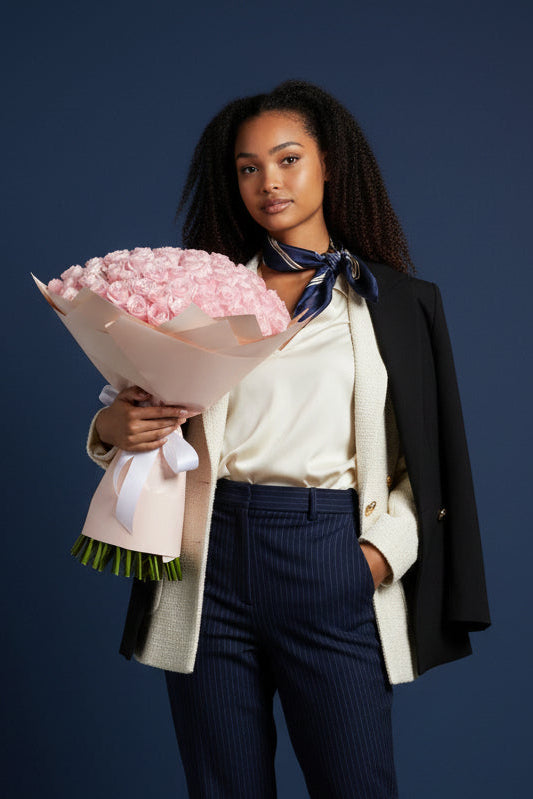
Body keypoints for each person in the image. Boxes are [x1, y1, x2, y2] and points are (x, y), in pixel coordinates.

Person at [86, 80, 491, 798]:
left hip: (328, 554)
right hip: (207, 559)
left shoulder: (398, 303)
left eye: (287, 159)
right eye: (248, 168)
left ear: (328, 163)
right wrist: (108, 429)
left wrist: (374, 558)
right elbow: (149, 418)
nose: (268, 182)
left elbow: (424, 464)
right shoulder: (197, 294)